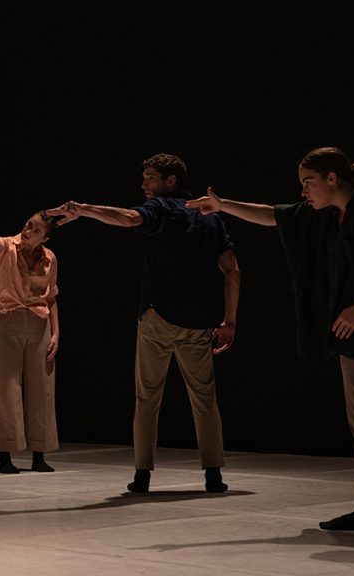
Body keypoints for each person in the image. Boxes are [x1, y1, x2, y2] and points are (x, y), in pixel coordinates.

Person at [186, 146, 354, 531]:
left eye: (308, 182)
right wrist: (222, 205)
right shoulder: (327, 215)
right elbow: (275, 216)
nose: (304, 191)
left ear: (332, 177)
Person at [47, 153, 239, 494]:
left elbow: (129, 218)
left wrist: (84, 209)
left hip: (158, 319)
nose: (143, 183)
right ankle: (213, 475)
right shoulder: (210, 217)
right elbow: (232, 271)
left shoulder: (162, 208)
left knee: (147, 398)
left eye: (150, 177)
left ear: (170, 181)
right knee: (205, 399)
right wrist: (230, 321)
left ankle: (142, 475)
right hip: (199, 322)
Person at [0, 211, 61, 474]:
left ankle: (39, 455)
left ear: (45, 237)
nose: (29, 229)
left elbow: (51, 296)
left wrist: (56, 333)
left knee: (41, 388)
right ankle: (5, 456)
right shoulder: (8, 246)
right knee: (6, 387)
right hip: (9, 321)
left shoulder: (49, 258)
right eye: (29, 224)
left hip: (39, 324)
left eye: (37, 229)